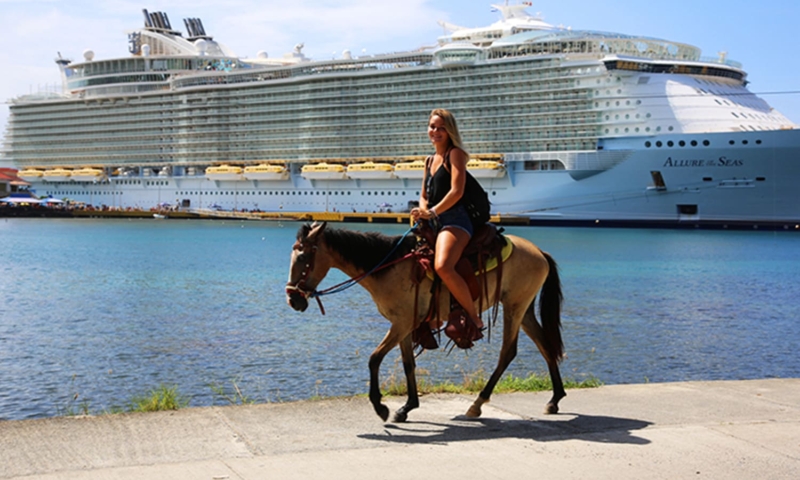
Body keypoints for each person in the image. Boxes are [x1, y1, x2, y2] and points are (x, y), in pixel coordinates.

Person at [410, 108, 484, 340]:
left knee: (443, 266)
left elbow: (457, 191)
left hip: (455, 220)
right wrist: (421, 210)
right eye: (433, 127)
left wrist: (431, 212)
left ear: (450, 130)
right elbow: (424, 193)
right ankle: (431, 317)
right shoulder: (429, 160)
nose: (436, 131)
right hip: (433, 221)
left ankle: (474, 317)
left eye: (441, 127)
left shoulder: (456, 154)